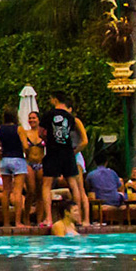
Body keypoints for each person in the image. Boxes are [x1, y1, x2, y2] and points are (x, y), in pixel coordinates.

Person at [42, 91, 89, 227]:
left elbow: (41, 133)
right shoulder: (71, 118)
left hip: (54, 152)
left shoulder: (49, 115)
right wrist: (73, 151)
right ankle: (78, 217)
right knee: (74, 185)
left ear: (55, 100)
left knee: (47, 185)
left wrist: (49, 140)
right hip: (68, 152)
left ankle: (48, 218)